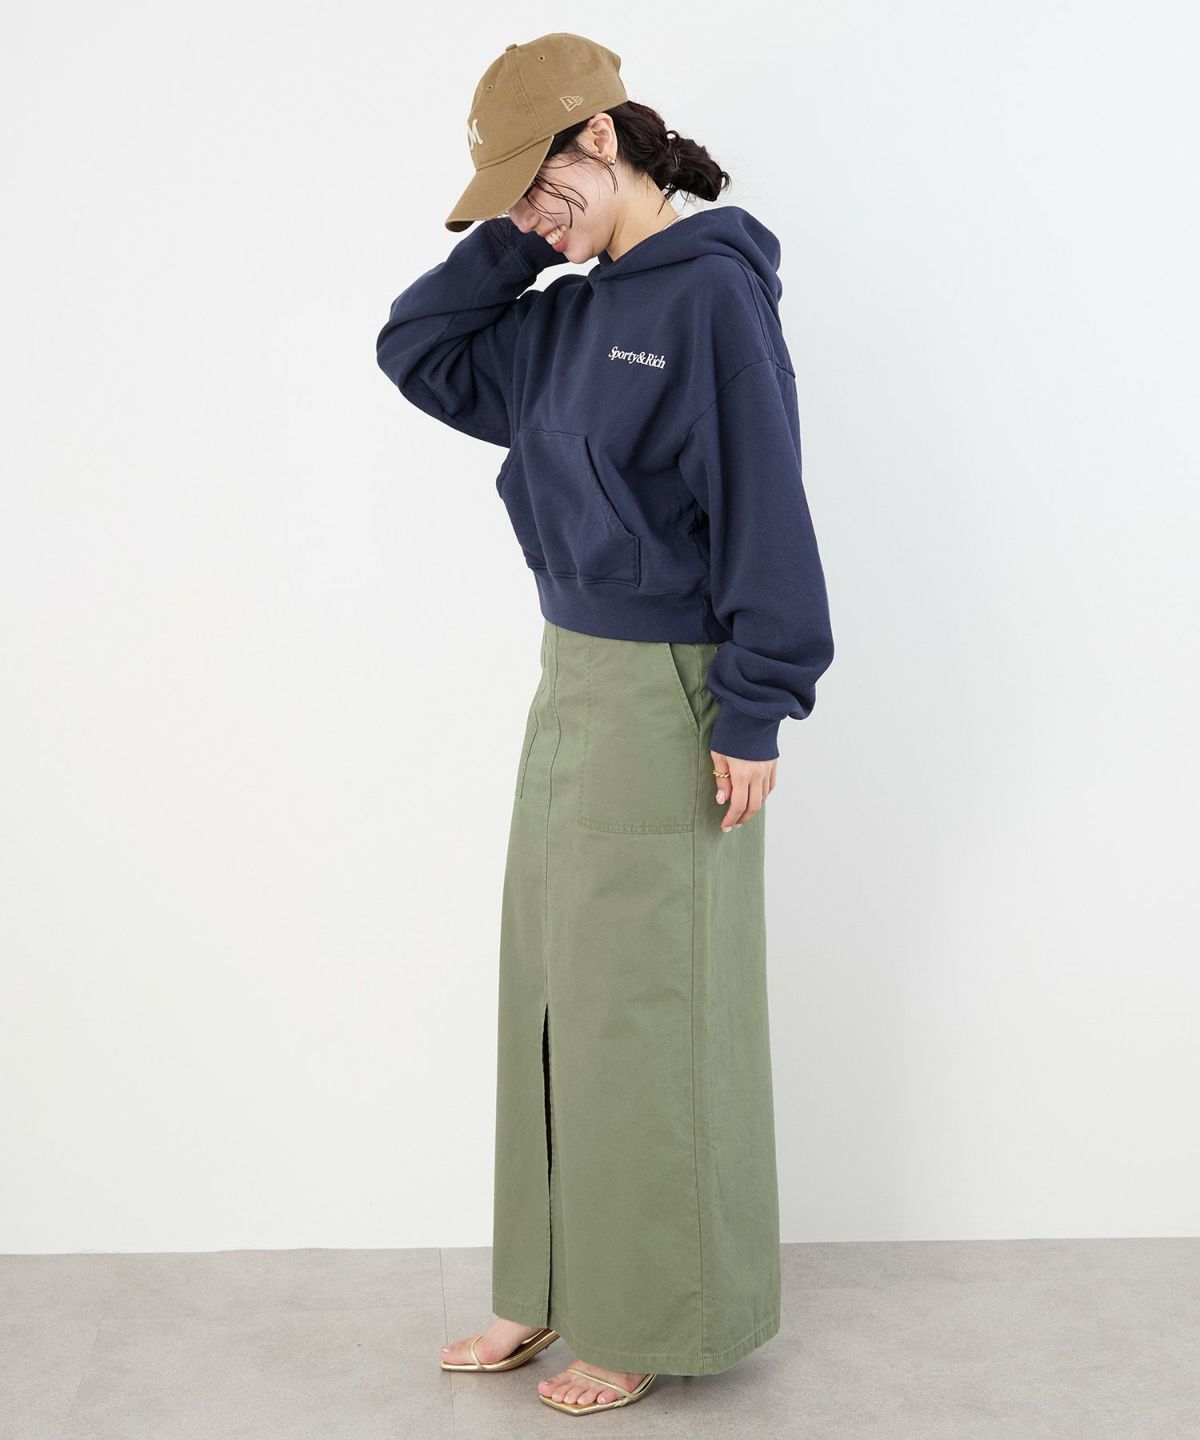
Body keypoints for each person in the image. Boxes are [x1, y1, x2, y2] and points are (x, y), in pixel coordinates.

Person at [375, 31, 834, 1419]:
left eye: (545, 180)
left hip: (673, 692)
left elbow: (766, 497)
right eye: (514, 197)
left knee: (647, 1008)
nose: (535, 212)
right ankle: (545, 1283)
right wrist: (520, 239)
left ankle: (642, 1313)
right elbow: (415, 349)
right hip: (569, 683)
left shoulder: (711, 297)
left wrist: (756, 706)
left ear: (603, 136)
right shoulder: (568, 316)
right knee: (548, 991)